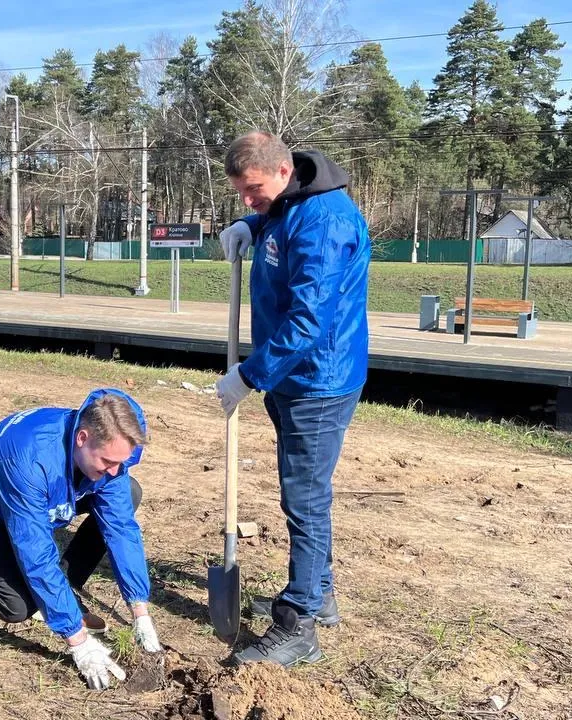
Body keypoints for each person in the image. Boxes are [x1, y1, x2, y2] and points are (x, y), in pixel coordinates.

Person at [213, 130, 370, 668]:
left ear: (282, 171)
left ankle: (299, 623)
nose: (248, 199)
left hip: (316, 382)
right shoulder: (289, 201)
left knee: (304, 501)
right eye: (241, 194)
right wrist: (251, 224)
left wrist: (248, 376)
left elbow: (308, 320)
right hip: (291, 377)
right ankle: (318, 594)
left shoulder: (325, 223)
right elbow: (277, 220)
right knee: (303, 493)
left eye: (253, 191)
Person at [0, 389, 163, 690]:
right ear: (82, 438)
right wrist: (78, 643)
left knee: (127, 492)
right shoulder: (27, 459)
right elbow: (35, 554)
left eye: (121, 461)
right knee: (16, 605)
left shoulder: (107, 456)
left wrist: (139, 609)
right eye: (108, 461)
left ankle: (60, 592)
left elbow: (119, 528)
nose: (115, 471)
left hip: (49, 491)